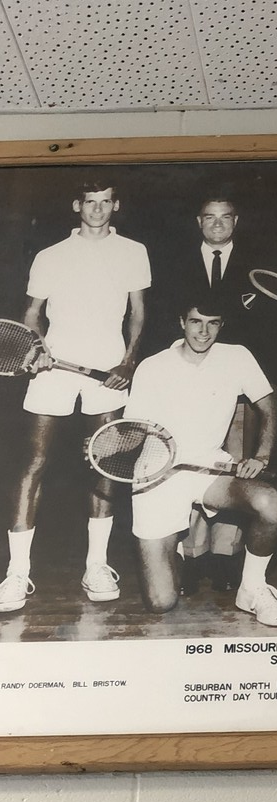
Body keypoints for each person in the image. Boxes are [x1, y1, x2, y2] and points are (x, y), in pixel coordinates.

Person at [0, 179, 151, 613]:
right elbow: (32, 314)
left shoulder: (134, 251)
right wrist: (36, 350)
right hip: (52, 370)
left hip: (108, 369)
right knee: (34, 463)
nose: (97, 209)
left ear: (115, 205)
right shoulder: (50, 256)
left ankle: (96, 566)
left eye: (105, 202)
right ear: (76, 205)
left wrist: (128, 362)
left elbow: (138, 313)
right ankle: (17, 572)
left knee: (104, 463)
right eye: (90, 202)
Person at [124, 295, 277, 624]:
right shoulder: (153, 366)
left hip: (209, 467)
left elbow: (268, 405)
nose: (204, 331)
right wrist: (105, 446)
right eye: (196, 322)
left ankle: (252, 588)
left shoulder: (237, 356)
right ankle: (175, 548)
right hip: (158, 473)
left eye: (212, 323)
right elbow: (133, 431)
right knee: (161, 602)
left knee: (270, 504)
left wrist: (261, 455)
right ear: (182, 322)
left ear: (221, 325)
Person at [167, 194, 262, 595]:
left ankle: (225, 556)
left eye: (225, 217)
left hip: (239, 383)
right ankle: (193, 554)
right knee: (192, 461)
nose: (218, 224)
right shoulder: (176, 261)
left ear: (236, 220)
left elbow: (270, 327)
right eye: (210, 217)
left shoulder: (258, 262)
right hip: (192, 380)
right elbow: (170, 318)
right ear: (199, 222)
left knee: (234, 465)